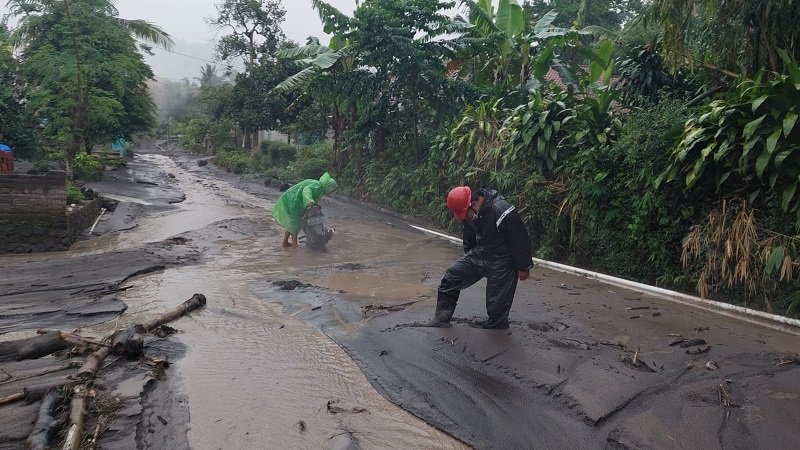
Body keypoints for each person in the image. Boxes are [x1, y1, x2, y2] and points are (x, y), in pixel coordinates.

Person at [429, 186, 533, 329]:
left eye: (465, 214)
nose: (465, 218)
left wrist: (523, 266)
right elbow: (469, 235)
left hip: (503, 261)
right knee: (452, 276)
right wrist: (469, 258)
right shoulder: (471, 213)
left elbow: (519, 237)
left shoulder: (501, 209)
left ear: (473, 204)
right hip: (481, 253)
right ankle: (441, 318)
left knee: (496, 304)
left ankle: (497, 326)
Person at [271, 172, 338, 247]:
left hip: (296, 202)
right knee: (295, 224)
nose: (331, 192)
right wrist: (310, 201)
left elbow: (314, 199)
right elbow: (306, 190)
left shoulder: (321, 190)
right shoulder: (317, 185)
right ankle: (295, 246)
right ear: (328, 186)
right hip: (293, 201)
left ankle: (285, 242)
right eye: (332, 190)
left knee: (292, 223)